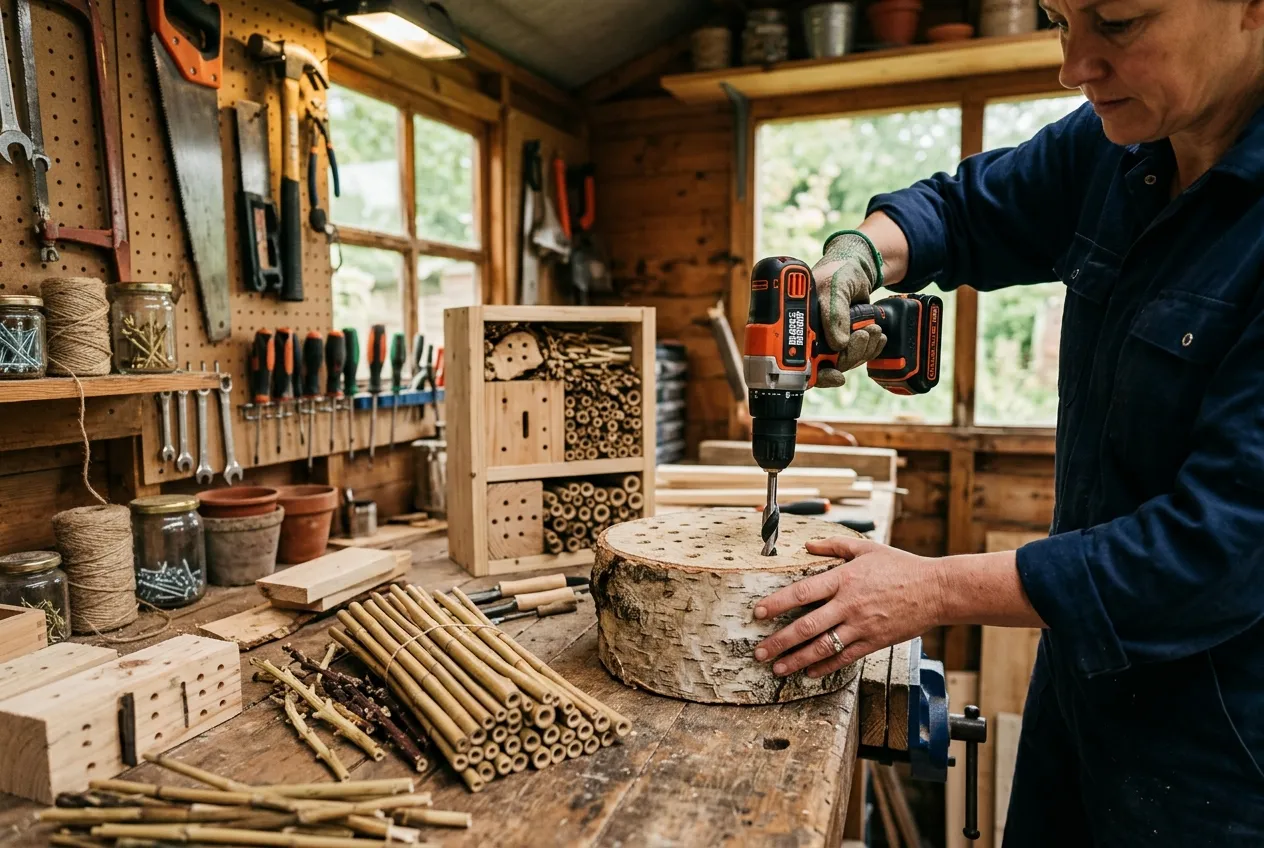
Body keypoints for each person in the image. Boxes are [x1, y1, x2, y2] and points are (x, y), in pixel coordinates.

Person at [751, 0, 1264, 843]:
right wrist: (858, 257)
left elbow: (1217, 551)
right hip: (1079, 687)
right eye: (1061, 20)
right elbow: (962, 209)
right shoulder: (1120, 141)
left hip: (1219, 748)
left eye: (1120, 23)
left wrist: (932, 588)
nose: (1074, 66)